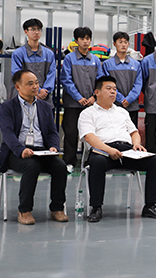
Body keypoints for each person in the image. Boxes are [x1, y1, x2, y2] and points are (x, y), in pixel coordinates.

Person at [78, 76, 156, 223]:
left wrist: (136, 144)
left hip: (126, 150)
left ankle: (150, 206)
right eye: (108, 89)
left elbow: (134, 132)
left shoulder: (122, 112)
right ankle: (96, 207)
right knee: (97, 162)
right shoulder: (88, 113)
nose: (113, 92)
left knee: (155, 161)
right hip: (102, 150)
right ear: (97, 92)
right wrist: (109, 150)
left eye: (115, 89)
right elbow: (89, 137)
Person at [0, 69, 68, 225]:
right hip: (17, 152)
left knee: (60, 166)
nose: (35, 86)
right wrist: (21, 150)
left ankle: (57, 209)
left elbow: (52, 131)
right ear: (18, 87)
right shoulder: (8, 107)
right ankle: (24, 211)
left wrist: (53, 147)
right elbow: (7, 133)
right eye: (30, 84)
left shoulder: (45, 106)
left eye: (36, 83)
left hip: (41, 150)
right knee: (32, 166)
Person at [61, 26, 104, 173]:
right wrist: (78, 97)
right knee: (71, 133)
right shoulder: (69, 58)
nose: (85, 41)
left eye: (87, 38)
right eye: (82, 39)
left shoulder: (95, 60)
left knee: (92, 133)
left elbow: (100, 80)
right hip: (73, 104)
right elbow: (66, 80)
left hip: (91, 104)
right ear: (76, 40)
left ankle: (90, 161)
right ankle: (69, 162)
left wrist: (93, 97)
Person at [101, 31, 143, 126]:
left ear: (128, 44)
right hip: (113, 106)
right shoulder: (107, 64)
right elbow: (107, 84)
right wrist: (121, 99)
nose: (123, 45)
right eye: (120, 42)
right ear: (114, 44)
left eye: (125, 42)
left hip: (132, 106)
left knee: (132, 132)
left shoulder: (136, 64)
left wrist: (129, 99)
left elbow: (138, 84)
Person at [11, 18, 56, 103]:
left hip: (44, 97)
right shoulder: (18, 54)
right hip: (24, 97)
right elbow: (17, 75)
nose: (36, 32)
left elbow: (52, 74)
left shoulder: (49, 54)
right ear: (26, 32)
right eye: (33, 29)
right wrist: (38, 90)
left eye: (39, 29)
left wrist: (44, 91)